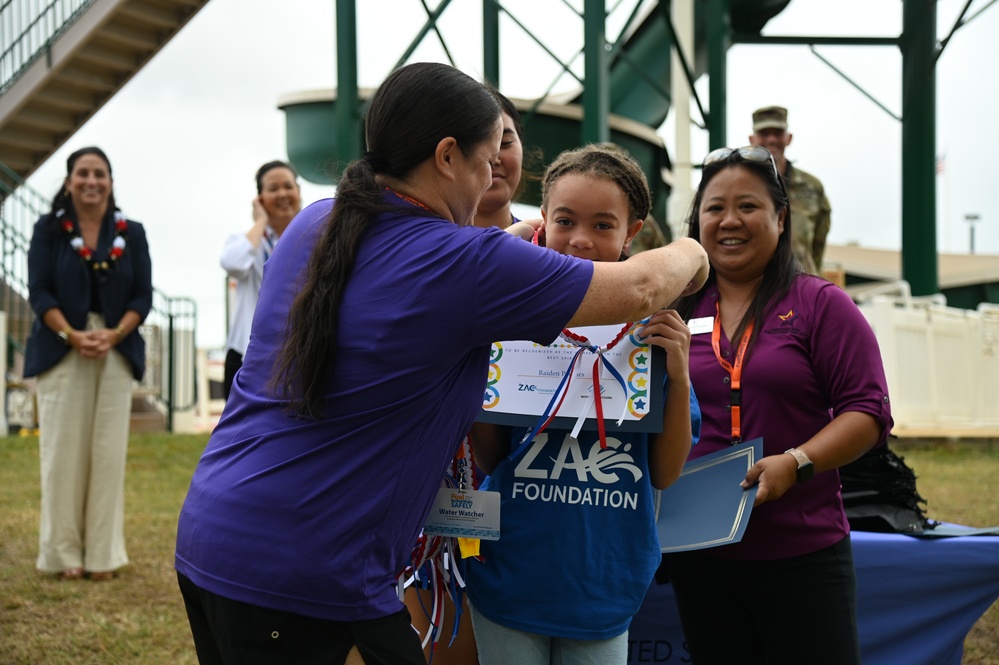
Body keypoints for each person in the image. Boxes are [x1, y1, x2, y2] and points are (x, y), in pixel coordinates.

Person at [174, 61, 708, 665]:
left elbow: (412, 283)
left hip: (215, 536)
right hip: (309, 576)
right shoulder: (463, 264)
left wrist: (508, 253)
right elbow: (638, 288)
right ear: (448, 156)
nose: (488, 184)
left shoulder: (317, 222)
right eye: (487, 162)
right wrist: (693, 249)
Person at [464, 145, 700, 665]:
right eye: (566, 220)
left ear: (631, 233)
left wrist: (678, 377)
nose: (581, 241)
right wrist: (483, 363)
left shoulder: (649, 337)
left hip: (603, 583)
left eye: (602, 225)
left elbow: (663, 473)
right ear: (541, 220)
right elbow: (488, 458)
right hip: (509, 576)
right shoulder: (510, 324)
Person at [666, 145, 893, 665]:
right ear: (697, 219)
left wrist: (797, 463)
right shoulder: (678, 310)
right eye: (714, 207)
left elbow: (869, 411)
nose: (729, 221)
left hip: (802, 551)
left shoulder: (820, 304)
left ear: (780, 216)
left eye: (747, 206)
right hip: (701, 553)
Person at [402, 87, 529, 665]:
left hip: (524, 496)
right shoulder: (408, 252)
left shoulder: (569, 257)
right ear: (448, 155)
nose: (496, 154)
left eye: (507, 138)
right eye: (486, 141)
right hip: (417, 487)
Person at [24, 146, 153, 582]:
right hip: (63, 348)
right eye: (82, 173)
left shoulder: (131, 232)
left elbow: (142, 295)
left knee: (107, 454)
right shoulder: (48, 230)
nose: (91, 180)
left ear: (111, 182)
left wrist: (115, 334)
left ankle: (102, 554)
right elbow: (39, 290)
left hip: (115, 349)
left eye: (100, 173)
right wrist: (72, 334)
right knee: (63, 454)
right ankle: (63, 555)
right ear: (68, 182)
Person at [219, 160, 301, 399]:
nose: (283, 194)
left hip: (296, 353)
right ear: (260, 199)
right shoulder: (249, 241)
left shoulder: (315, 238)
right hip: (248, 355)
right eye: (273, 189)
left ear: (299, 192)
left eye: (288, 186)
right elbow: (233, 263)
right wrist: (261, 222)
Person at [748, 105, 831, 275]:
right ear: (752, 139)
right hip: (754, 287)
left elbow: (818, 244)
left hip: (802, 285)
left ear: (789, 138)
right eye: (764, 133)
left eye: (778, 133)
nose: (771, 140)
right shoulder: (739, 186)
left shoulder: (812, 187)